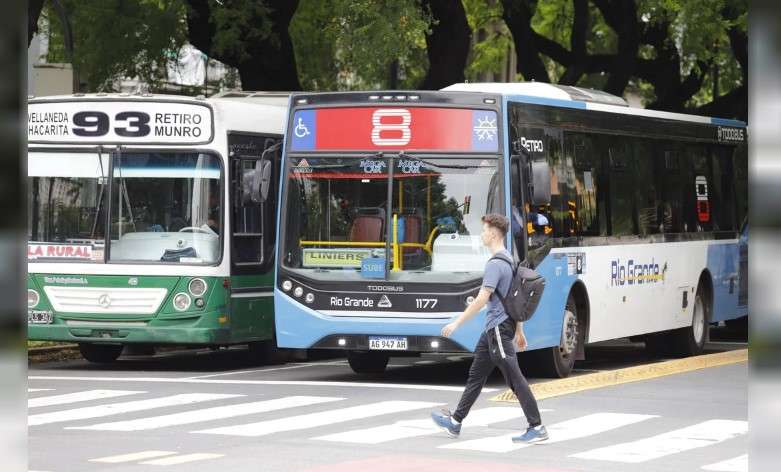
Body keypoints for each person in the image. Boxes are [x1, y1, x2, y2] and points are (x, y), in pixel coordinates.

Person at [431, 213, 548, 443]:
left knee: (515, 379)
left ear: (494, 233)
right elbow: (515, 298)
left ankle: (537, 426)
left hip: (498, 330)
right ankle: (455, 422)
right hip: (494, 330)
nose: (482, 234)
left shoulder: (495, 264)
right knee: (476, 375)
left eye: (484, 230)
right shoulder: (509, 259)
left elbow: (482, 298)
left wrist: (456, 322)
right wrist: (519, 330)